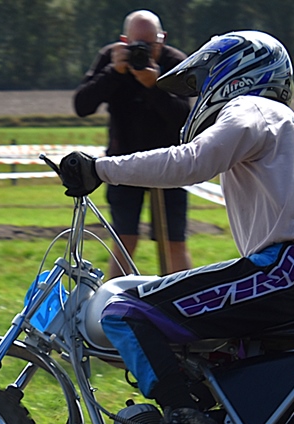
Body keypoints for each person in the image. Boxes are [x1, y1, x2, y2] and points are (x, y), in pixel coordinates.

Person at [60, 31, 294, 424]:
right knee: (213, 352)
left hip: (293, 268)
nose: (202, 92)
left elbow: (191, 162)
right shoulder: (292, 132)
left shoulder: (252, 109)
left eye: (206, 79)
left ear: (236, 74)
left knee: (127, 312)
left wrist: (99, 168)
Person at [73, 9, 192, 278]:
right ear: (124, 41)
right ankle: (114, 300)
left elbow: (184, 118)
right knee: (124, 240)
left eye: (150, 45)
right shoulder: (111, 58)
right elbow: (82, 105)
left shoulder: (175, 62)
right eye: (137, 45)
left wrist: (154, 86)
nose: (144, 52)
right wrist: (114, 72)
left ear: (162, 39)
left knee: (174, 241)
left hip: (169, 162)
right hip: (123, 162)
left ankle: (185, 299)